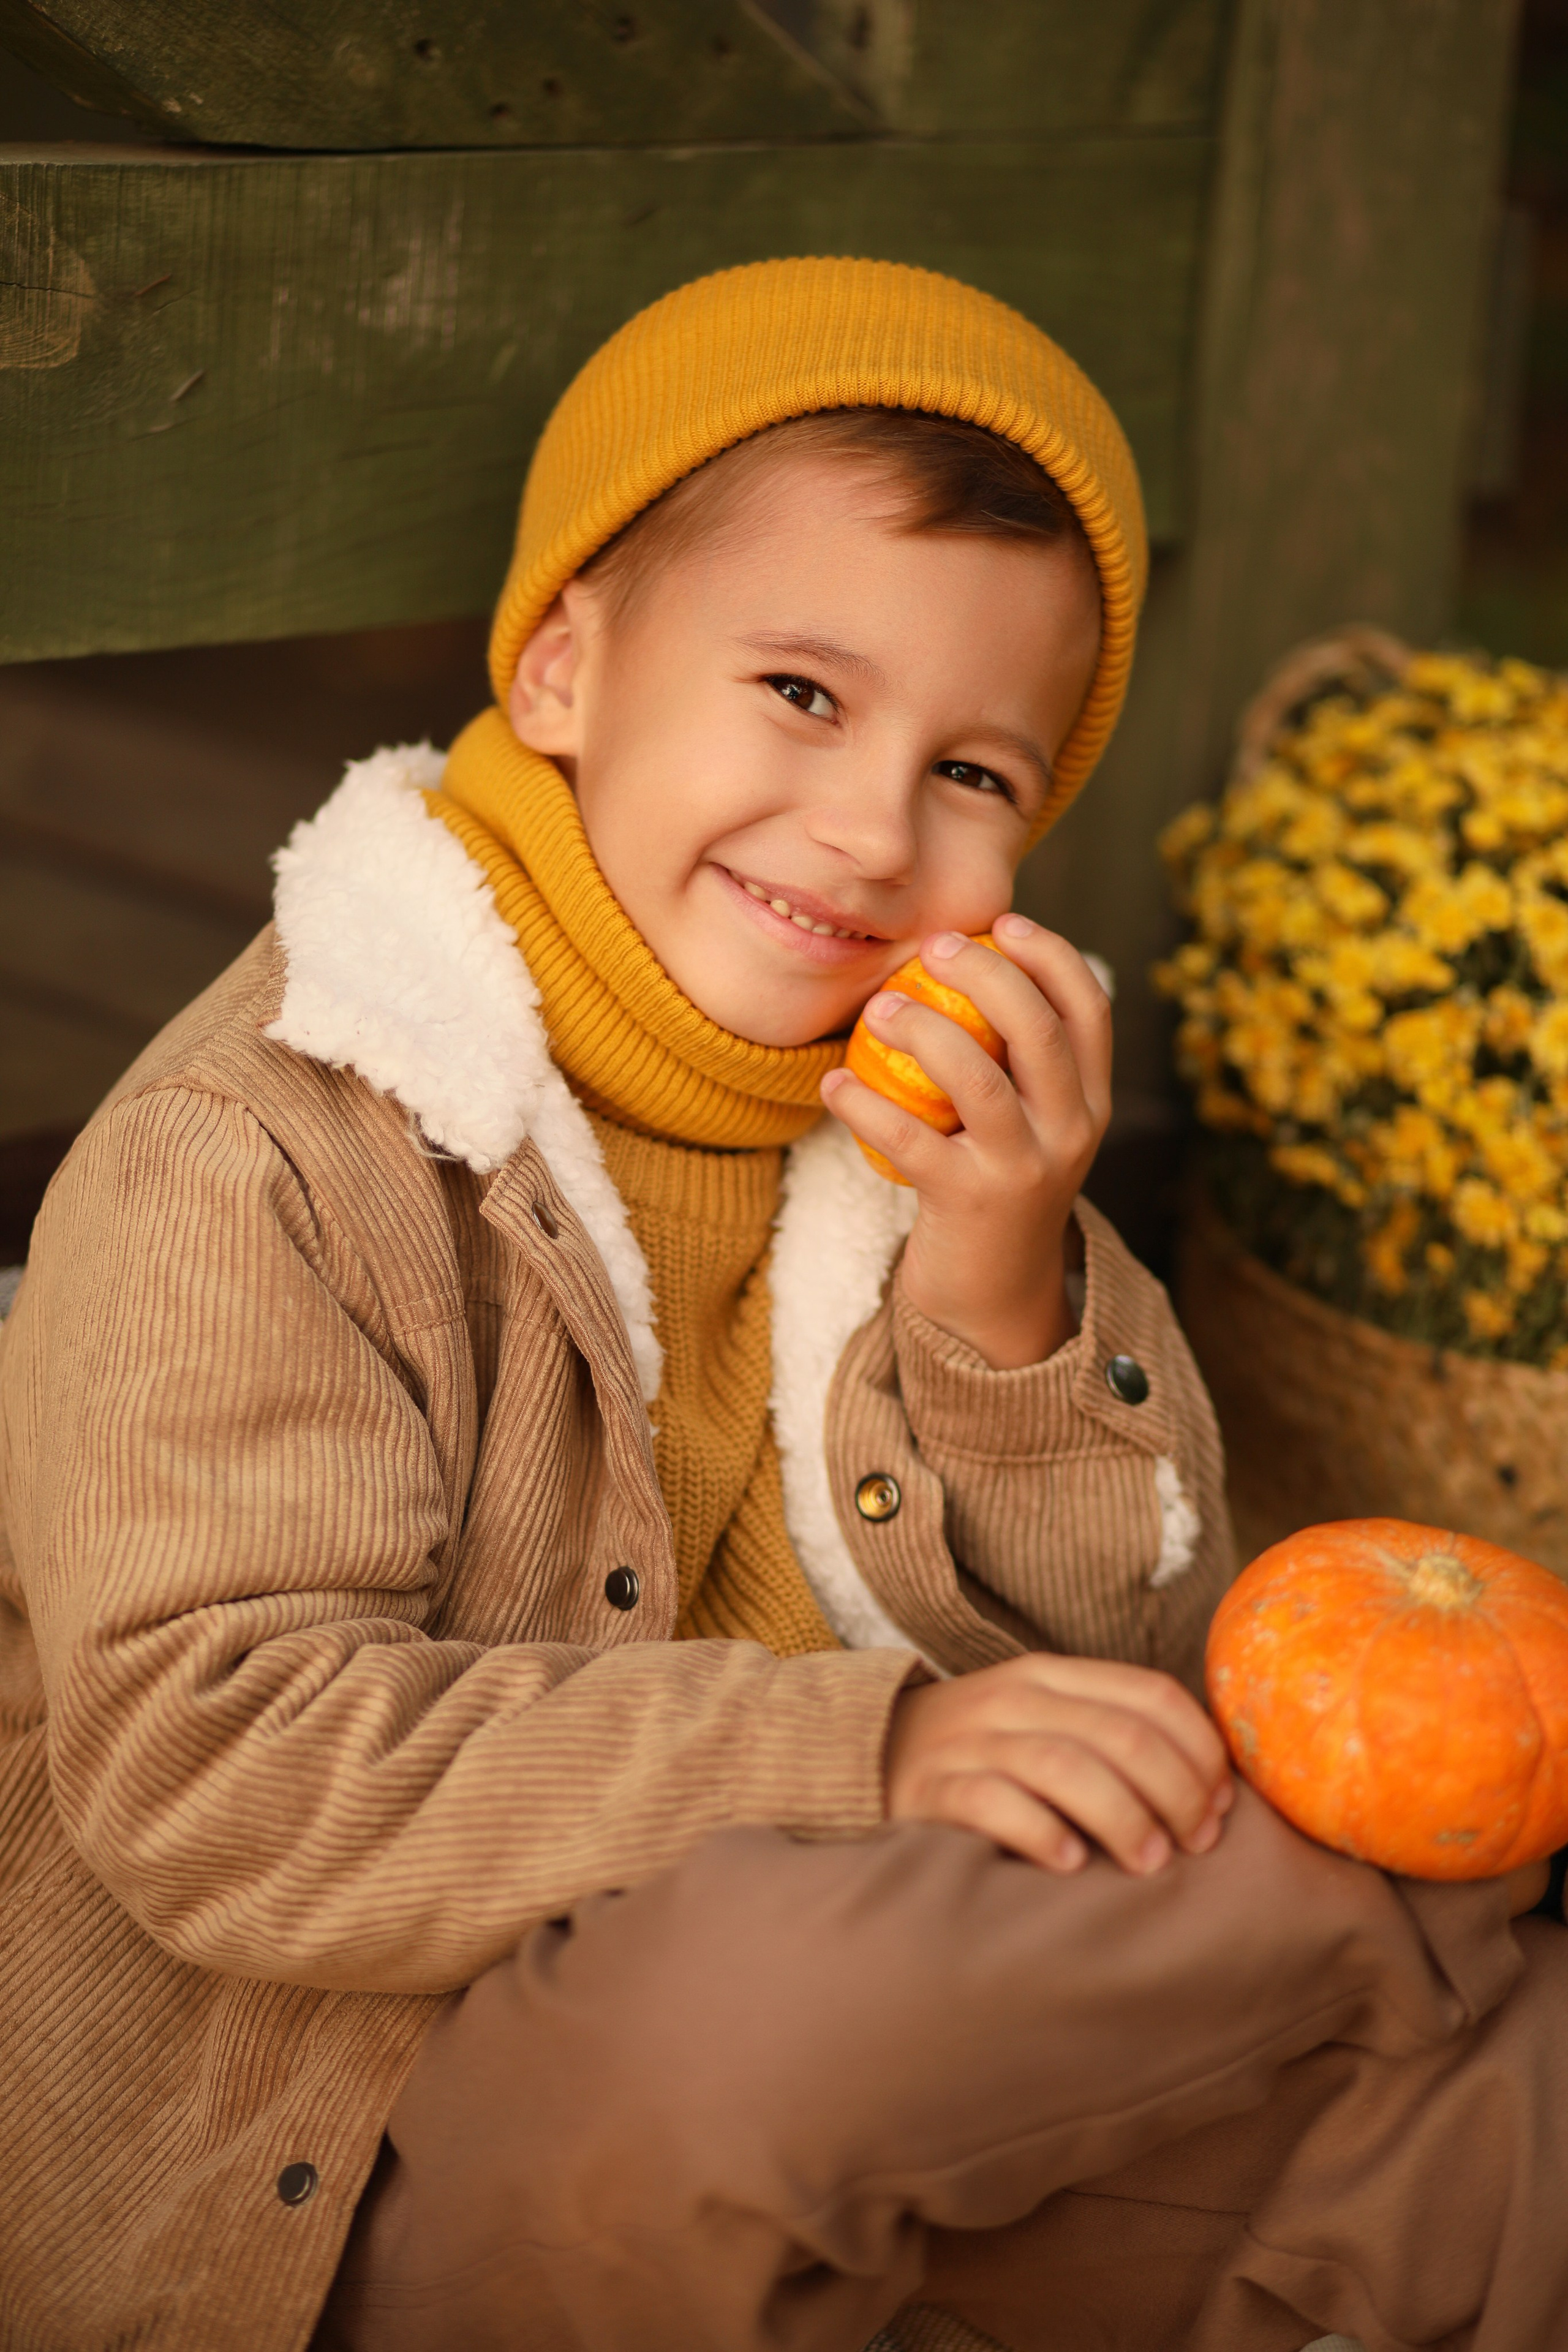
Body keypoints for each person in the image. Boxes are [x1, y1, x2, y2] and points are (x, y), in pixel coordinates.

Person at [0, 258, 1562, 2352]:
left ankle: (1401, 2015)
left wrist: (1001, 1281)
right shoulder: (263, 1152)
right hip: (356, 2124)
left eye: (979, 774)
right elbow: (219, 1772)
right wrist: (868, 1749)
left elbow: (1107, 1691)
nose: (871, 829)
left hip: (876, 2011)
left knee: (1477, 2127)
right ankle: (1390, 1935)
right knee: (762, 2016)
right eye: (806, 696)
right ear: (565, 666)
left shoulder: (927, 1133)